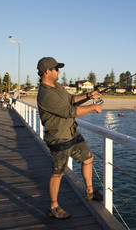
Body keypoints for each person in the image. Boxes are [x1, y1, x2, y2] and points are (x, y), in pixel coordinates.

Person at [36, 57, 103, 219]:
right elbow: (69, 111)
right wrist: (93, 106)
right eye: (56, 69)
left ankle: (89, 191)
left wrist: (88, 95)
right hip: (59, 137)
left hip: (71, 132)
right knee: (58, 172)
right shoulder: (45, 94)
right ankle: (54, 207)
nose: (59, 71)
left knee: (88, 158)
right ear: (47, 71)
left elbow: (70, 100)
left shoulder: (56, 86)